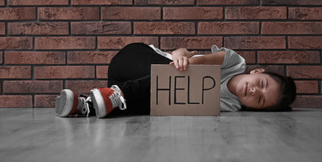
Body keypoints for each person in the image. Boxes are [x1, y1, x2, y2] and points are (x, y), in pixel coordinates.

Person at [55, 43, 296, 118]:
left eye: (261, 101)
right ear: (258, 72)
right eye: (262, 84)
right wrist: (183, 57)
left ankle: (85, 104)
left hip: (129, 90)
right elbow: (197, 60)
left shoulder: (232, 107)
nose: (254, 92)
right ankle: (115, 96)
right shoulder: (235, 62)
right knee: (183, 79)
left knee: (155, 108)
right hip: (134, 61)